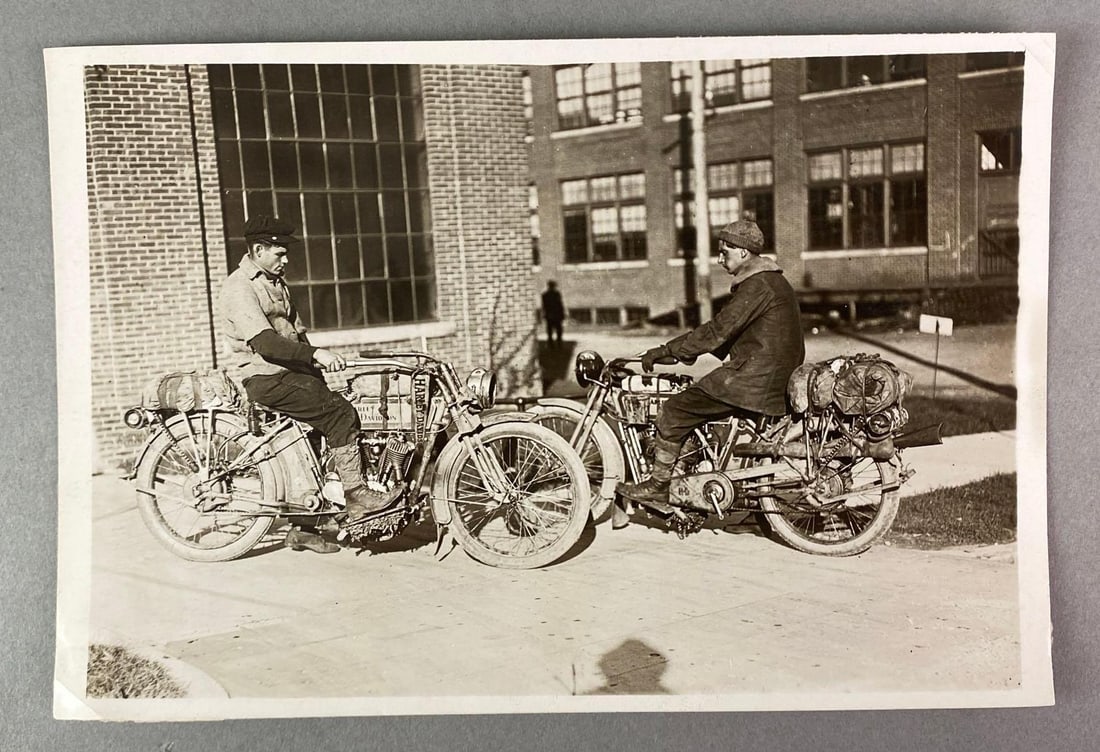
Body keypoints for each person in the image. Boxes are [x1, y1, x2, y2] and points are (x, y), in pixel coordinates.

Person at [218, 215, 397, 554]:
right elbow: (267, 343)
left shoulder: (276, 283)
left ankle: (303, 528)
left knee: (318, 435)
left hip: (289, 374)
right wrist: (316, 355)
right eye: (280, 253)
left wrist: (319, 369)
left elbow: (297, 336)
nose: (286, 260)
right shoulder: (240, 287)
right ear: (258, 249)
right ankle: (357, 495)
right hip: (266, 377)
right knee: (340, 414)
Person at [615, 219, 805, 510]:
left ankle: (658, 486)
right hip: (770, 375)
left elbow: (718, 330)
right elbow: (731, 334)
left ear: (743, 252)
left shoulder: (758, 285)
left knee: (674, 409)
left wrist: (667, 350)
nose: (719, 259)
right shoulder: (771, 281)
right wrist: (686, 352)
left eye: (724, 252)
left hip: (755, 378)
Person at [541, 280, 565, 345]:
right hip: (555, 314)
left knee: (552, 329)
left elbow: (544, 306)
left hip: (551, 314)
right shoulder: (556, 294)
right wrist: (562, 314)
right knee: (556, 329)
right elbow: (560, 305)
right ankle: (556, 342)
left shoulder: (545, 295)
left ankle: (553, 342)